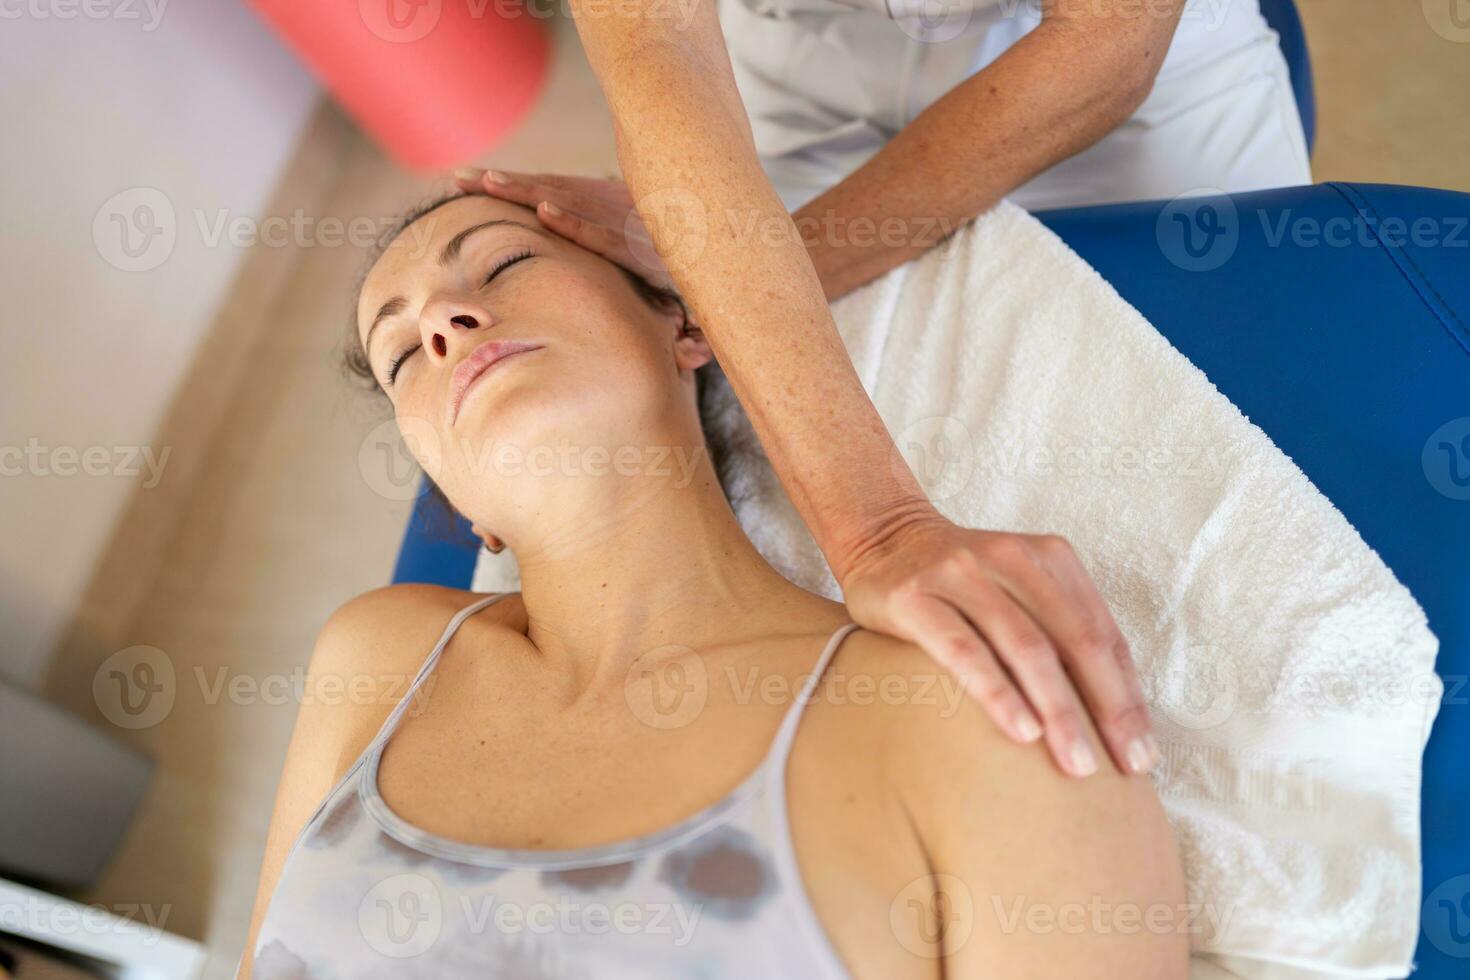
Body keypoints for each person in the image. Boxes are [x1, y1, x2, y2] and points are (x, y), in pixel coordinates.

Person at [237, 191, 1188, 978]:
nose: (443, 324)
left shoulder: (971, 693)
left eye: (502, 266)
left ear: (684, 324)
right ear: (455, 500)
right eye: (401, 354)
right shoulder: (373, 654)